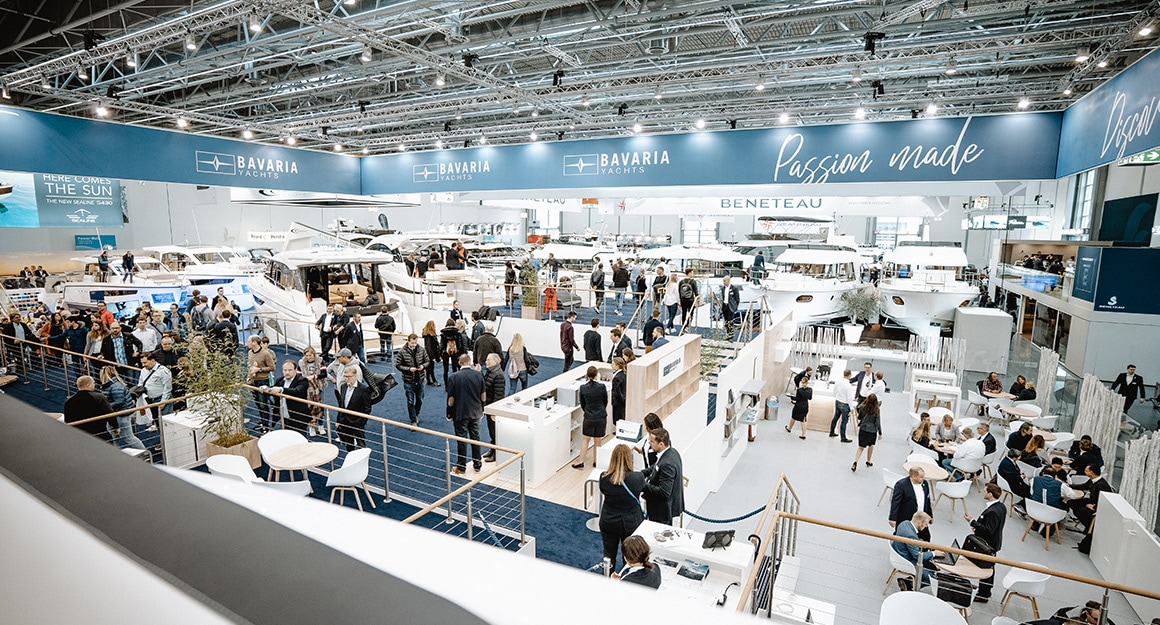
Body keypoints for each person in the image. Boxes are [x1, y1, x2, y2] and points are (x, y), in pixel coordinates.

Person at [599, 444, 646, 569]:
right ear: (629, 459)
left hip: (609, 521)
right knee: (631, 557)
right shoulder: (638, 478)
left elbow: (604, 491)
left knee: (608, 556)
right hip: (632, 522)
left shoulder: (604, 478)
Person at [965, 483, 1006, 603]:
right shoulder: (1001, 506)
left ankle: (983, 594)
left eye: (985, 491)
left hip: (987, 545)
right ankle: (985, 590)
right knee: (989, 567)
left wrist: (972, 522)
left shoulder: (993, 511)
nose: (983, 493)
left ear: (990, 494)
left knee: (986, 568)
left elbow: (989, 530)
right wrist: (978, 527)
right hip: (993, 542)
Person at [447, 353, 485, 474]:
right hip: (476, 412)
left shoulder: (454, 377)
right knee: (475, 437)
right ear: (470, 362)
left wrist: (449, 413)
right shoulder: (479, 375)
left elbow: (451, 399)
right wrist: (483, 408)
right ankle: (477, 464)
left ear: (459, 363)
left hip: (460, 413)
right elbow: (483, 395)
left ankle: (462, 466)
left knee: (461, 440)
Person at [641, 427, 684, 526]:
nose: (649, 444)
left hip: (661, 512)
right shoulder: (671, 453)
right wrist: (640, 474)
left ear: (661, 444)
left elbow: (664, 492)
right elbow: (656, 467)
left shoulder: (667, 464)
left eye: (652, 441)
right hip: (660, 510)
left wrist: (643, 484)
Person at [98, 366, 146, 450]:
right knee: (113, 437)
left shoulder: (115, 386)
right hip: (116, 414)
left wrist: (106, 407)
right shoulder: (111, 385)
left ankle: (145, 454)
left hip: (121, 414)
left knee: (128, 437)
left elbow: (119, 401)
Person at [892, 511, 943, 590]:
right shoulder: (911, 535)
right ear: (920, 523)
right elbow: (917, 556)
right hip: (907, 560)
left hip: (899, 553)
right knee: (932, 578)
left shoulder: (904, 524)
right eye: (925, 524)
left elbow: (916, 541)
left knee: (932, 566)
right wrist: (934, 553)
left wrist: (928, 546)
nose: (926, 527)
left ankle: (909, 581)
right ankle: (909, 584)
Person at [574, 366, 608, 469]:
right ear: (596, 374)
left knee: (585, 439)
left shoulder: (583, 388)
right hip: (601, 416)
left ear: (587, 375)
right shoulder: (602, 387)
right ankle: (596, 461)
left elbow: (582, 404)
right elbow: (605, 401)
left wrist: (588, 411)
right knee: (598, 440)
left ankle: (581, 461)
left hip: (589, 416)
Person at [63, 375, 115, 441]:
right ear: (88, 385)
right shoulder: (98, 397)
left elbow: (67, 420)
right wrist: (115, 426)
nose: (94, 385)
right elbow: (109, 413)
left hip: (80, 436)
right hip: (100, 433)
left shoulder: (69, 401)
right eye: (93, 383)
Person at [333, 366, 371, 451]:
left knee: (361, 445)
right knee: (349, 445)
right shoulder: (343, 387)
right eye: (345, 376)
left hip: (357, 422)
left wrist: (361, 422)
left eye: (349, 376)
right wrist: (338, 420)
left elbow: (367, 408)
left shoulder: (363, 389)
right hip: (345, 421)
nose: (347, 379)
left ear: (355, 376)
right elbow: (341, 405)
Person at [889, 466, 933, 539]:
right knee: (903, 536)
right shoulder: (901, 485)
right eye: (921, 477)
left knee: (926, 537)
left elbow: (927, 501)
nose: (923, 479)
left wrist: (930, 515)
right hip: (906, 517)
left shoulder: (925, 484)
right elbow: (895, 502)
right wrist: (892, 518)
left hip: (921, 518)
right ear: (914, 476)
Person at [396, 333, 431, 426]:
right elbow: (398, 365)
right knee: (410, 401)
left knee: (420, 399)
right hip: (408, 380)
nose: (414, 345)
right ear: (408, 341)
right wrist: (408, 369)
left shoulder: (421, 350)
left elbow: (427, 361)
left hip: (421, 379)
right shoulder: (402, 351)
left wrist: (423, 366)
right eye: (412, 343)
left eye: (415, 343)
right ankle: (413, 420)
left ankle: (416, 414)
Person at [268, 360, 311, 434]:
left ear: (295, 370)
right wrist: (267, 389)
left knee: (300, 439)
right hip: (283, 416)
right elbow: (273, 390)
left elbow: (297, 391)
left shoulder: (302, 380)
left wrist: (281, 389)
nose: (287, 372)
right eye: (285, 370)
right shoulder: (280, 380)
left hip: (298, 418)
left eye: (290, 370)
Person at [246, 335, 277, 431]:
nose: (247, 343)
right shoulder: (250, 353)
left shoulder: (265, 354)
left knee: (263, 404)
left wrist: (259, 370)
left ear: (255, 342)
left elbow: (272, 367)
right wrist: (248, 377)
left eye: (249, 341)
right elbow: (250, 366)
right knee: (258, 404)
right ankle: (263, 422)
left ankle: (266, 426)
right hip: (253, 381)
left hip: (263, 381)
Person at [298, 347, 328, 436]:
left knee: (319, 406)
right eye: (306, 356)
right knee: (309, 407)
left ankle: (321, 425)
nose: (308, 357)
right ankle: (311, 426)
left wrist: (315, 376)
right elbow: (298, 375)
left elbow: (324, 373)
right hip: (307, 388)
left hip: (318, 387)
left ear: (314, 354)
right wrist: (305, 379)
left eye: (310, 355)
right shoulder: (301, 363)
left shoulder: (320, 361)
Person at [481, 353, 505, 461]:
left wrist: (494, 411)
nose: (486, 362)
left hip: (493, 408)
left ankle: (496, 453)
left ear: (495, 361)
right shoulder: (491, 372)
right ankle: (492, 449)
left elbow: (498, 395)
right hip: (489, 406)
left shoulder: (498, 375)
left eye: (488, 360)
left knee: (495, 431)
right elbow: (485, 385)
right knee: (491, 431)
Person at [851, 393, 883, 471]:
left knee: (861, 447)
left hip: (863, 429)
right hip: (872, 431)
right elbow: (878, 422)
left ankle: (855, 461)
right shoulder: (877, 410)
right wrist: (880, 433)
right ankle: (868, 461)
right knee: (871, 446)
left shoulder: (862, 407)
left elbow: (859, 417)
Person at [998, 448, 1032, 513]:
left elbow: (1015, 472)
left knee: (1029, 489)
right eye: (1019, 456)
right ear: (1014, 457)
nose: (1020, 457)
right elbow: (1013, 477)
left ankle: (1021, 504)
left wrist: (1019, 474)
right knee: (1029, 493)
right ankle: (1020, 505)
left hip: (1013, 481)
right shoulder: (1007, 464)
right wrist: (1021, 477)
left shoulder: (1009, 461)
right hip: (1010, 484)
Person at [829, 369, 855, 442]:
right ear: (849, 375)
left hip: (838, 401)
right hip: (845, 404)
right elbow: (849, 397)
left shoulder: (838, 382)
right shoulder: (848, 385)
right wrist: (851, 407)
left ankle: (831, 432)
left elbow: (834, 391)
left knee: (835, 418)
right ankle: (843, 437)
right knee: (844, 421)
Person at [786, 375, 811, 439]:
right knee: (803, 420)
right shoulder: (810, 390)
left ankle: (789, 428)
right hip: (805, 406)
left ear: (801, 383)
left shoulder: (799, 390)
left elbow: (797, 399)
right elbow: (810, 398)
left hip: (798, 406)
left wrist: (793, 400)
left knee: (794, 417)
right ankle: (803, 434)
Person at [610, 356, 627, 425]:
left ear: (618, 366)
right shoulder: (623, 374)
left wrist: (621, 400)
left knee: (617, 418)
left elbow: (617, 392)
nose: (611, 365)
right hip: (622, 400)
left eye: (613, 364)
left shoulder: (617, 378)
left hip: (618, 402)